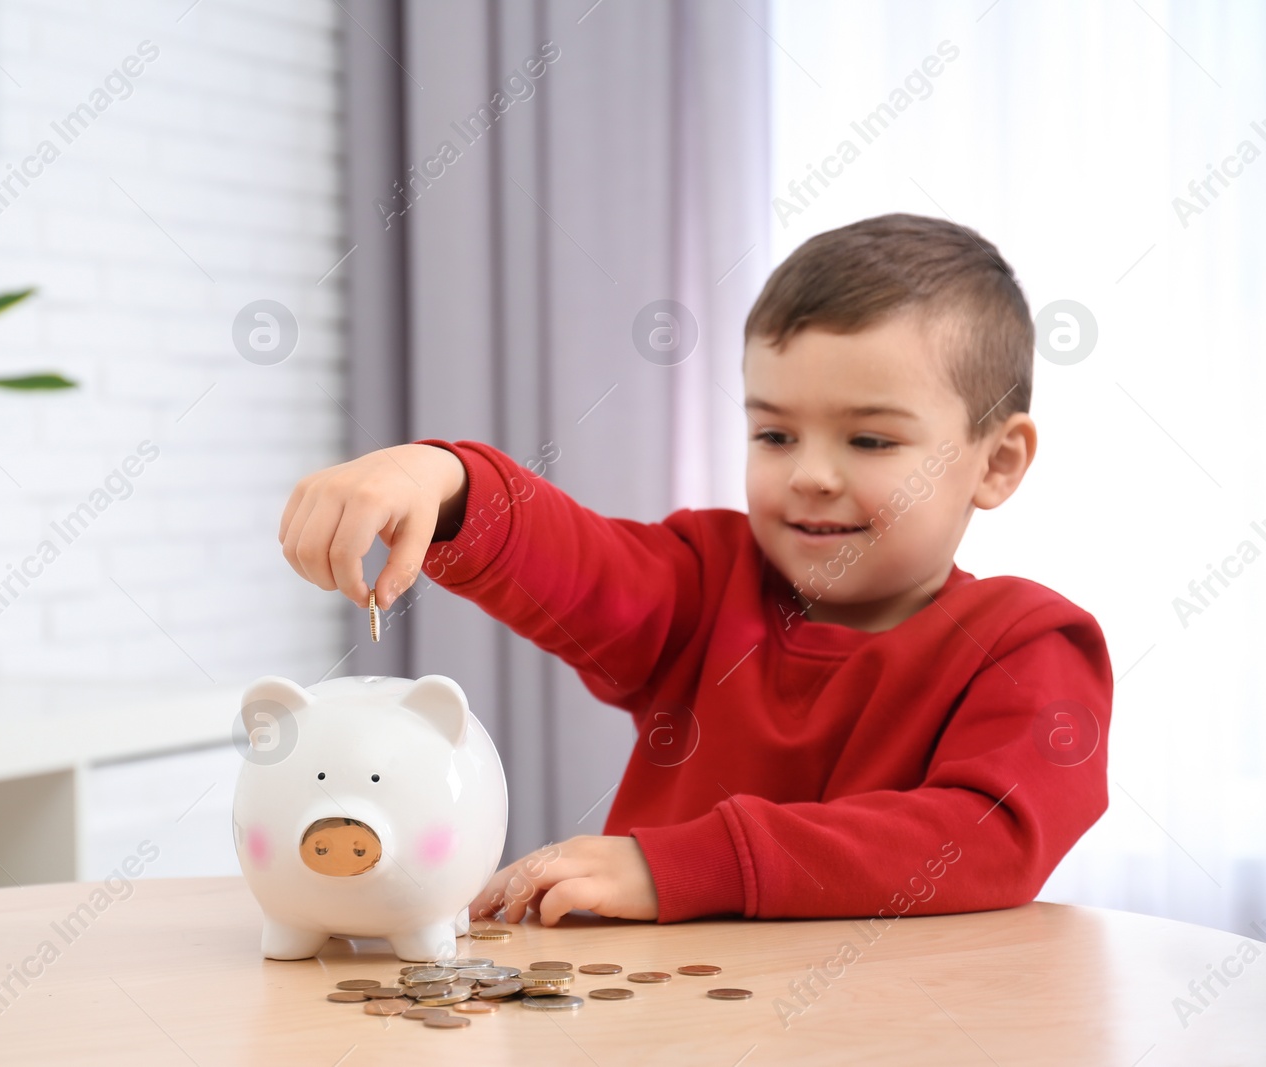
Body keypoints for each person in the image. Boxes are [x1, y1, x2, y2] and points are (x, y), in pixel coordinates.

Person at [277, 213, 1112, 927]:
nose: (809, 474)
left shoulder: (1032, 646)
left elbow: (977, 837)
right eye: (774, 434)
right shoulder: (709, 582)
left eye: (869, 439)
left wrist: (683, 865)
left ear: (998, 462)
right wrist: (448, 483)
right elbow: (581, 565)